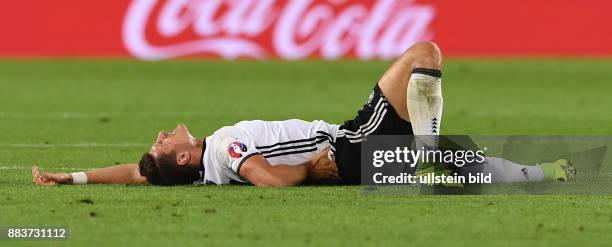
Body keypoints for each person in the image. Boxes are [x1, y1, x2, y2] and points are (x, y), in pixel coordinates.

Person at [31, 42, 575, 187]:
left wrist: (74, 175)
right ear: (182, 152)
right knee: (425, 61)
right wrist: (306, 171)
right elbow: (268, 181)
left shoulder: (195, 167)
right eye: (160, 141)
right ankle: (538, 172)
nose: (160, 133)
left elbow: (137, 173)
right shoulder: (224, 150)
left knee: (430, 74)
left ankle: (541, 172)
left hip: (351, 135)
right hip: (346, 149)